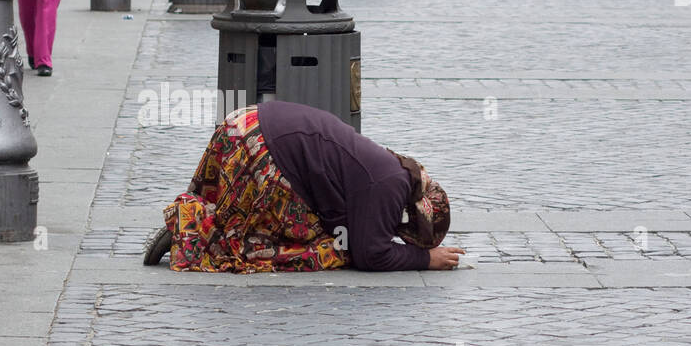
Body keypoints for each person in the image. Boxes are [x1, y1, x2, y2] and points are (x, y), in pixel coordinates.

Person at [142, 101, 462, 273]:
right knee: (324, 250)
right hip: (260, 151)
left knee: (240, 213)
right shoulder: (389, 187)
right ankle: (191, 229)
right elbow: (370, 254)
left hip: (243, 124)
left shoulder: (392, 167)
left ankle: (194, 219)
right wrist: (425, 260)